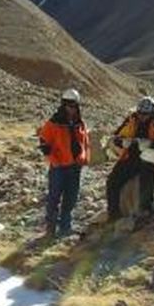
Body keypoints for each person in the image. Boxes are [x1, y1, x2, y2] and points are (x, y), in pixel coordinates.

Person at [106, 96, 154, 222]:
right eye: (140, 113)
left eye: (146, 114)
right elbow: (116, 136)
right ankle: (114, 213)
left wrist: (150, 143)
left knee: (147, 170)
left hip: (151, 161)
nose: (142, 117)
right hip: (131, 157)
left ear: (153, 112)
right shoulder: (132, 120)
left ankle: (146, 209)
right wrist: (122, 142)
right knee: (112, 180)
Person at [37, 88, 90, 237]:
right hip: (59, 167)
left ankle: (65, 227)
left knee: (71, 197)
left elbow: (85, 142)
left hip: (75, 166)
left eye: (73, 105)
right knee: (54, 197)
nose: (71, 108)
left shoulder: (80, 123)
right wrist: (53, 158)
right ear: (63, 105)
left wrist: (84, 158)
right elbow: (44, 142)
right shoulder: (53, 123)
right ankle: (51, 228)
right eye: (68, 105)